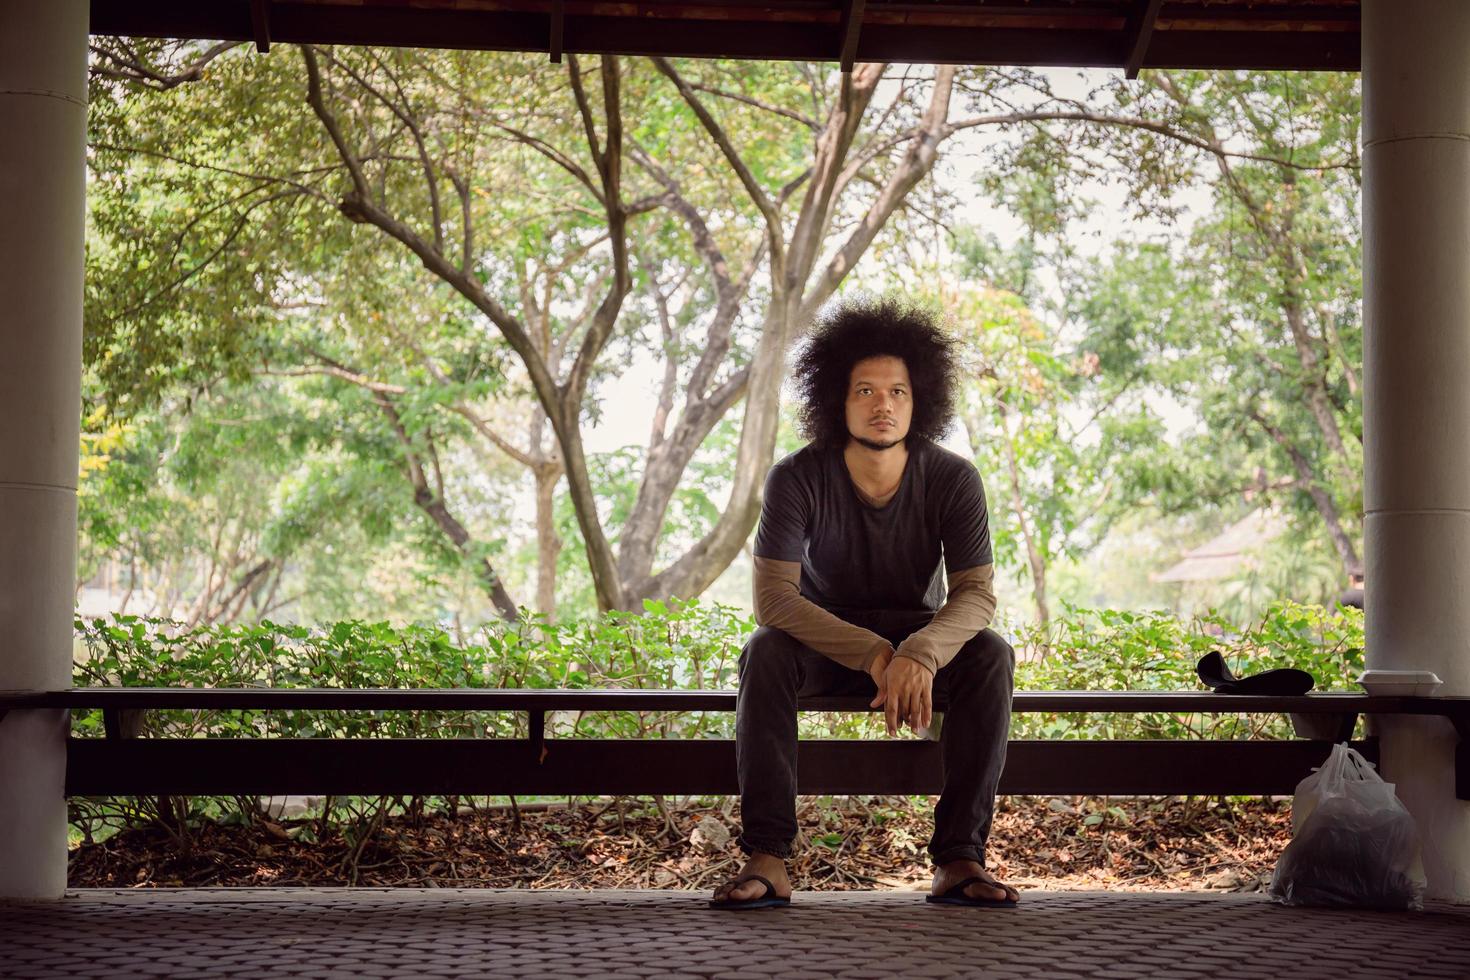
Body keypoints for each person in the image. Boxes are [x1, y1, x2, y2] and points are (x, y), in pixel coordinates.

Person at [709, 298, 1018, 910]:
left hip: (917, 649)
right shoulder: (795, 477)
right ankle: (768, 858)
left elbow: (977, 594)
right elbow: (773, 599)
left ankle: (960, 858)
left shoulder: (954, 478)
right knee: (763, 652)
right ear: (836, 400)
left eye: (899, 392)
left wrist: (921, 653)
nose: (884, 405)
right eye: (867, 391)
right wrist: (877, 653)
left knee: (991, 656)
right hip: (825, 646)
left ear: (920, 400)